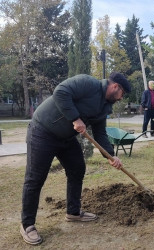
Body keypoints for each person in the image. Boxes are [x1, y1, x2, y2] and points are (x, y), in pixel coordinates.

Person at [20, 72, 131, 245]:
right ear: (116, 87)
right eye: (122, 94)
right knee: (35, 178)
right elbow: (60, 92)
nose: (121, 98)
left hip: (66, 138)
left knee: (77, 168)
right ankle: (27, 225)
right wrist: (75, 118)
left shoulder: (104, 107)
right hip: (42, 131)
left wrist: (111, 155)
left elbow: (100, 134)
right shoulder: (88, 83)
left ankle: (73, 212)